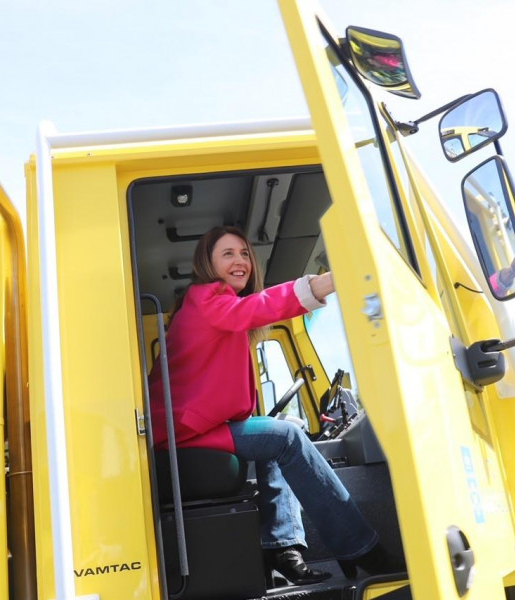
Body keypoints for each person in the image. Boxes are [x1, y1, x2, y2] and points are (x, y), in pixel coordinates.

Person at [148, 226, 389, 585]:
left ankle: (283, 546)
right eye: (227, 253)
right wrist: (323, 284)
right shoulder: (206, 296)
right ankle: (361, 549)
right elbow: (258, 307)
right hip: (182, 433)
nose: (240, 261)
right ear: (207, 263)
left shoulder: (212, 303)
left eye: (244, 253)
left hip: (194, 427)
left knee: (279, 434)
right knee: (287, 436)